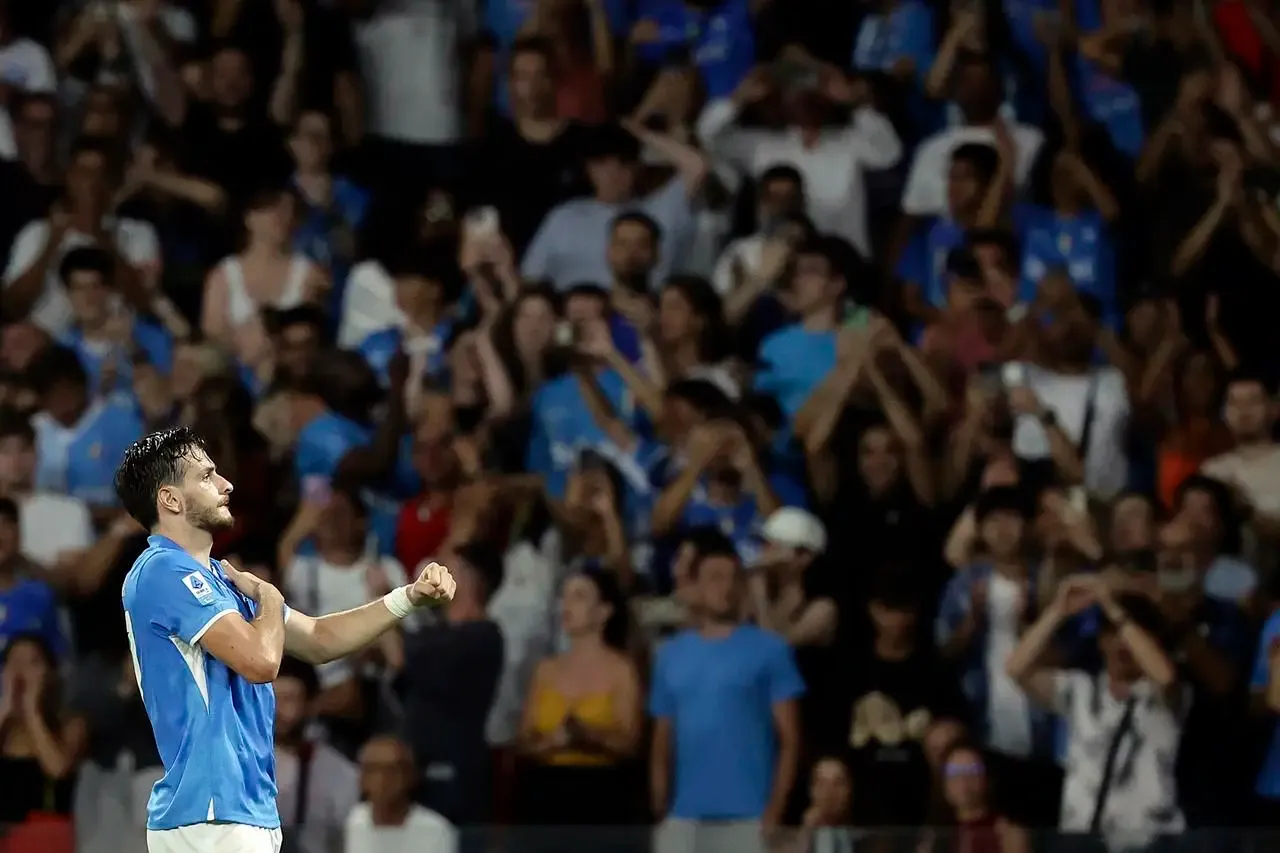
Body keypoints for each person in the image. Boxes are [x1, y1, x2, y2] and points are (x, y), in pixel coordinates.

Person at [113, 426, 457, 853]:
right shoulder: (163, 570)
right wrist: (270, 598)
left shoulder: (221, 580)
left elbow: (319, 638)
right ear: (170, 499)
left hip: (238, 812)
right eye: (206, 476)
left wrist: (407, 597)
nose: (226, 484)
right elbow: (261, 662)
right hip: (212, 812)